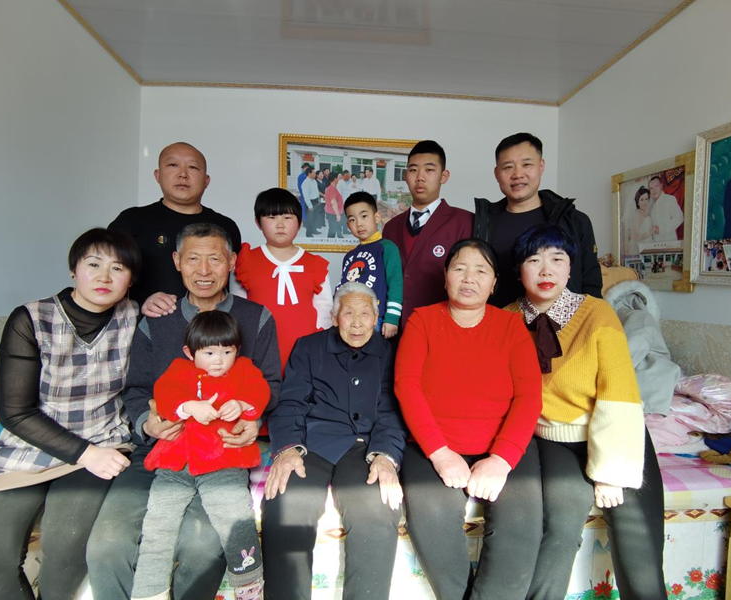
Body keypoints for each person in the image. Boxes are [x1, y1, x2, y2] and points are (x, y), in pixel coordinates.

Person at [86, 223, 282, 600]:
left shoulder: (256, 318)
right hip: (163, 450)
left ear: (232, 262)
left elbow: (270, 385)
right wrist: (148, 424)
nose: (204, 270)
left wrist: (252, 417)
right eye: (193, 259)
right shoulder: (156, 319)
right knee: (107, 545)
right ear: (177, 261)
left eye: (215, 259)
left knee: (202, 547)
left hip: (221, 453)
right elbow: (137, 389)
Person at [0, 228, 141, 600]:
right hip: (28, 449)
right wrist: (85, 453)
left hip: (103, 443)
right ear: (73, 270)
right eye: (93, 264)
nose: (104, 277)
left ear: (130, 280)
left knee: (66, 549)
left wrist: (95, 454)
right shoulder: (31, 318)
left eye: (118, 268)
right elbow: (15, 413)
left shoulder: (134, 316)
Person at [505, 224, 665, 599]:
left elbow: (619, 392)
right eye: (534, 260)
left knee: (637, 537)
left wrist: (610, 473)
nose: (546, 270)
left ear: (570, 268)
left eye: (557, 259)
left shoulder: (596, 313)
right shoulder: (507, 319)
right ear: (519, 270)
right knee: (559, 524)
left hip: (614, 430)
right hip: (552, 438)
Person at [395, 238, 543, 599]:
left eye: (481, 271)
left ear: (494, 284)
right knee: (431, 518)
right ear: (445, 276)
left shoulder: (511, 325)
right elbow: (406, 386)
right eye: (460, 268)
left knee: (520, 522)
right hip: (434, 445)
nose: (469, 278)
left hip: (502, 446)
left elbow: (529, 397)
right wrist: (440, 453)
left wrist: (502, 459)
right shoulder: (422, 321)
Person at [262, 283, 408, 599]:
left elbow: (393, 409)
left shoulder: (391, 352)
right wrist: (288, 449)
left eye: (365, 313)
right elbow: (291, 402)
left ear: (376, 318)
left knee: (377, 506)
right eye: (348, 313)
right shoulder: (308, 347)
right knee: (286, 501)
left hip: (367, 446)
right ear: (334, 317)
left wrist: (385, 455)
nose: (357, 323)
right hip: (314, 442)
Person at [131, 311, 269, 600]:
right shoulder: (178, 370)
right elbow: (164, 396)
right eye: (208, 353)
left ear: (237, 350)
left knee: (235, 516)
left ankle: (248, 583)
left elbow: (260, 391)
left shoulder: (244, 369)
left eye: (227, 352)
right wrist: (189, 407)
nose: (218, 360)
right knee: (158, 525)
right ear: (189, 352)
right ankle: (149, 591)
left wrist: (242, 404)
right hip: (175, 463)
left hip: (224, 460)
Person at [108, 142, 241, 314]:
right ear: (158, 175)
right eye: (173, 165)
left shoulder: (224, 226)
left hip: (212, 325)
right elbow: (107, 277)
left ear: (206, 180)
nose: (183, 174)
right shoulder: (131, 220)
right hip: (145, 323)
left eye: (192, 167)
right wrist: (140, 303)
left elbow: (235, 286)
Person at [474, 132, 602, 307]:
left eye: (527, 164)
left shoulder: (574, 221)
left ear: (541, 166)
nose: (518, 174)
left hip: (565, 322)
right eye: (508, 167)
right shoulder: (482, 224)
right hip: (500, 320)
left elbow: (591, 282)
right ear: (496, 173)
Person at [234, 188, 333, 371]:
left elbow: (325, 309)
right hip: (258, 348)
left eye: (287, 217)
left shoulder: (315, 264)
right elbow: (237, 310)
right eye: (271, 217)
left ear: (300, 223)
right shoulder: (246, 261)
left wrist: (319, 346)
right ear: (258, 222)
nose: (280, 225)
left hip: (305, 349)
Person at [383, 140, 474, 327]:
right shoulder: (391, 227)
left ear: (444, 176)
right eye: (413, 170)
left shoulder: (464, 222)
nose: (420, 177)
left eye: (429, 170)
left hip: (442, 328)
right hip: (394, 331)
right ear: (406, 175)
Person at [339, 191, 403, 338]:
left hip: (376, 319)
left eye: (364, 216)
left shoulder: (387, 248)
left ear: (377, 217)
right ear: (348, 225)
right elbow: (344, 287)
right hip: (350, 320)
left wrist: (392, 318)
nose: (359, 224)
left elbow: (395, 283)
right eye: (352, 220)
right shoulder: (350, 256)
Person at [648, 175, 684, 242]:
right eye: (651, 188)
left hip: (669, 243)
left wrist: (661, 230)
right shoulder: (652, 207)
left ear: (661, 186)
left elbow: (679, 217)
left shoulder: (669, 199)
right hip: (655, 245)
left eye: (656, 186)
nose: (654, 190)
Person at [623, 186, 654, 255]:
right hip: (640, 248)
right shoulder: (637, 215)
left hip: (648, 245)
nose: (645, 202)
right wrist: (650, 232)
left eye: (646, 199)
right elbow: (635, 237)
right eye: (642, 199)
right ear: (638, 202)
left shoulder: (645, 213)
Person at [324, 171, 346, 239]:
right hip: (332, 213)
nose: (339, 179)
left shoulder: (332, 187)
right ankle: (329, 244)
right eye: (338, 178)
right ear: (335, 179)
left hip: (332, 212)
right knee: (332, 230)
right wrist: (338, 215)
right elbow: (333, 202)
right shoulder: (332, 188)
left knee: (333, 228)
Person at [302, 167, 321, 238]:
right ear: (309, 173)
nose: (315, 174)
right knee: (310, 218)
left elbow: (316, 191)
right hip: (310, 202)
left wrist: (318, 200)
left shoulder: (314, 181)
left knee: (315, 217)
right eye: (313, 172)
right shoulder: (306, 183)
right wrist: (309, 206)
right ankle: (308, 232)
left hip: (315, 200)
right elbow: (306, 195)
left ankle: (314, 230)